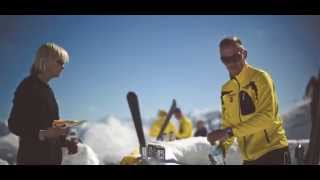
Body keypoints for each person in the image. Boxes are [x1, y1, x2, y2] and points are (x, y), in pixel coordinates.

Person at [207, 36, 290, 165]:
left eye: (235, 57)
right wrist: (222, 148)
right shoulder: (226, 89)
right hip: (249, 159)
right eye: (225, 60)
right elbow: (228, 125)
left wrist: (229, 132)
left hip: (273, 152)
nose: (230, 63)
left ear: (244, 54)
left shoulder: (260, 77)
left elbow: (267, 117)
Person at [8, 42, 77, 165]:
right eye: (59, 62)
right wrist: (43, 133)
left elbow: (49, 125)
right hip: (32, 159)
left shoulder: (47, 89)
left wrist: (65, 141)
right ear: (46, 61)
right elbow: (14, 124)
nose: (63, 67)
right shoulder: (28, 86)